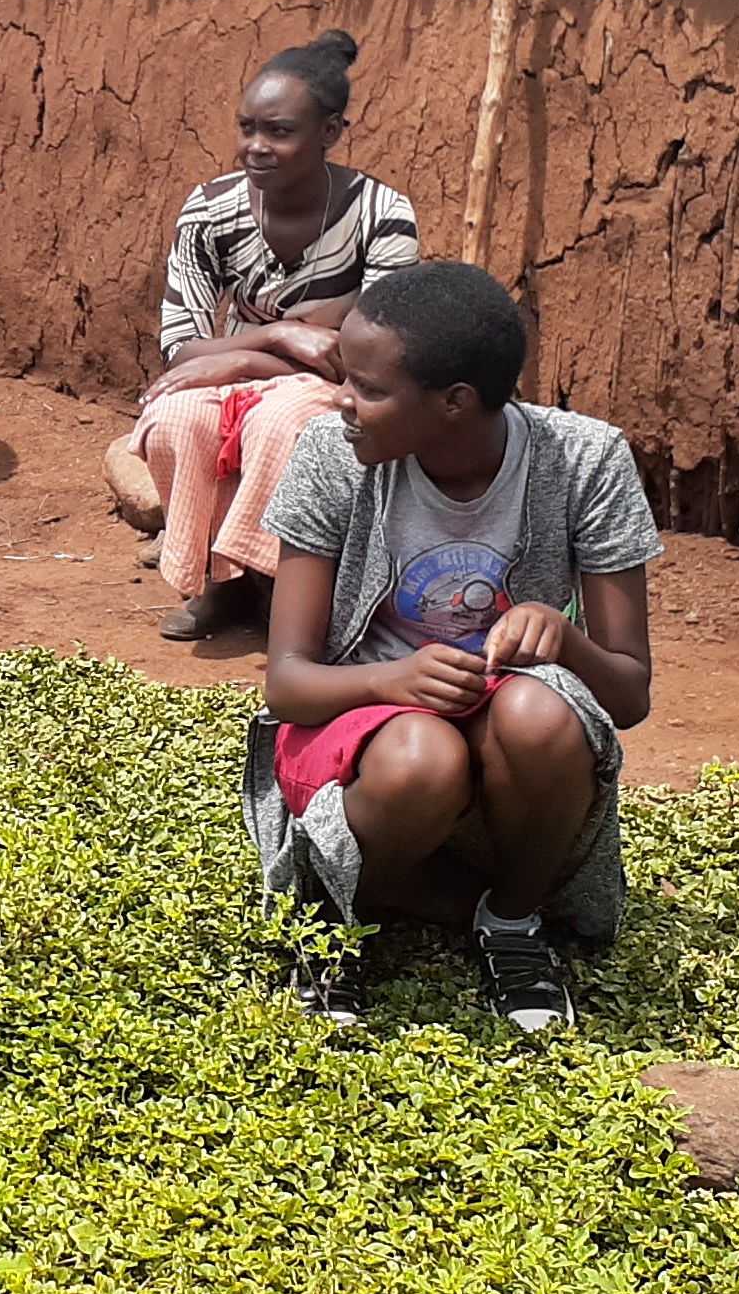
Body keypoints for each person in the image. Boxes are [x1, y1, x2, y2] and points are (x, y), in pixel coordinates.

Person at [248, 261, 660, 1035]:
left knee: (542, 717)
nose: (342, 400)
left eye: (369, 388)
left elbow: (629, 697)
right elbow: (288, 685)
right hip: (361, 722)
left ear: (454, 404)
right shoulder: (331, 453)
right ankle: (333, 921)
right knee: (422, 756)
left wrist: (564, 639)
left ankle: (511, 920)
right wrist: (393, 680)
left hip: (502, 717)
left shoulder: (586, 459)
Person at [130, 33, 420, 641]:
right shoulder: (209, 209)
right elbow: (181, 346)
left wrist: (239, 360)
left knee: (282, 421)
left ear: (330, 132)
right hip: (247, 366)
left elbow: (374, 354)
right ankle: (217, 581)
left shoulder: (381, 214)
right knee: (177, 415)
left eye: (279, 132)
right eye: (246, 128)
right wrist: (278, 338)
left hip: (335, 384)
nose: (255, 147)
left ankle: (279, 581)